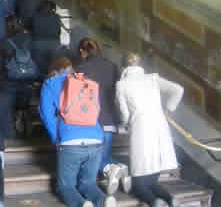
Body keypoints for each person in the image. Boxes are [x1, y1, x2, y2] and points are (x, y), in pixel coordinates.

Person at [39, 57, 117, 207]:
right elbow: (96, 111)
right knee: (88, 183)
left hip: (70, 142)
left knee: (66, 186)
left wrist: (57, 140)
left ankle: (82, 204)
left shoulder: (50, 84)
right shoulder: (88, 83)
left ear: (54, 71)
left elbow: (47, 116)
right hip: (96, 140)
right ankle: (104, 200)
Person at [116, 53, 183, 207]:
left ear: (123, 67)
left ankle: (154, 202)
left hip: (141, 131)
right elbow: (178, 90)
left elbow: (125, 115)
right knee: (151, 179)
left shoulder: (122, 85)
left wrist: (124, 124)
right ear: (140, 65)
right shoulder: (153, 79)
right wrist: (168, 109)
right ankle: (171, 200)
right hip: (160, 130)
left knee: (137, 182)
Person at [75, 38, 129, 195]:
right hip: (110, 119)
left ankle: (111, 170)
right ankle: (119, 167)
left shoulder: (81, 68)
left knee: (92, 159)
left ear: (82, 51)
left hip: (91, 121)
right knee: (103, 156)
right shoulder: (113, 67)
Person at [0, 16, 34, 112]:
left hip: (8, 82)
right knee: (24, 110)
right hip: (26, 80)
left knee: (8, 111)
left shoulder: (3, 43)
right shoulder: (30, 40)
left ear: (7, 27)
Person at [31, 0, 63, 77]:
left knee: (39, 65)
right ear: (52, 9)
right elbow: (59, 32)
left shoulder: (35, 17)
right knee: (53, 66)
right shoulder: (56, 17)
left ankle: (39, 79)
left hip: (38, 44)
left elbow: (34, 31)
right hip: (54, 45)